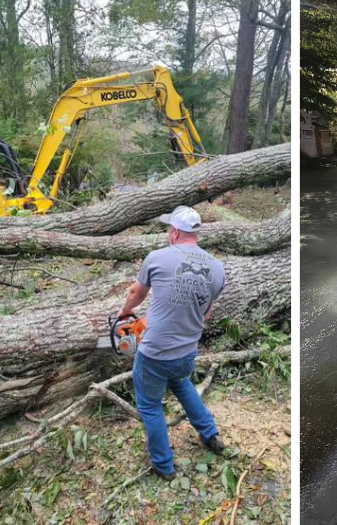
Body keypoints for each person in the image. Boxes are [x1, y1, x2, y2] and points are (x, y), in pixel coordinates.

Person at [119, 205, 227, 480]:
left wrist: (124, 313)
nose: (168, 233)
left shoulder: (157, 257)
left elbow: (136, 293)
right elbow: (207, 312)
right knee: (181, 382)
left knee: (150, 406)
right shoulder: (217, 269)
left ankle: (164, 465)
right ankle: (210, 433)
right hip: (187, 351)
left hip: (155, 353)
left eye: (170, 229)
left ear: (175, 232)